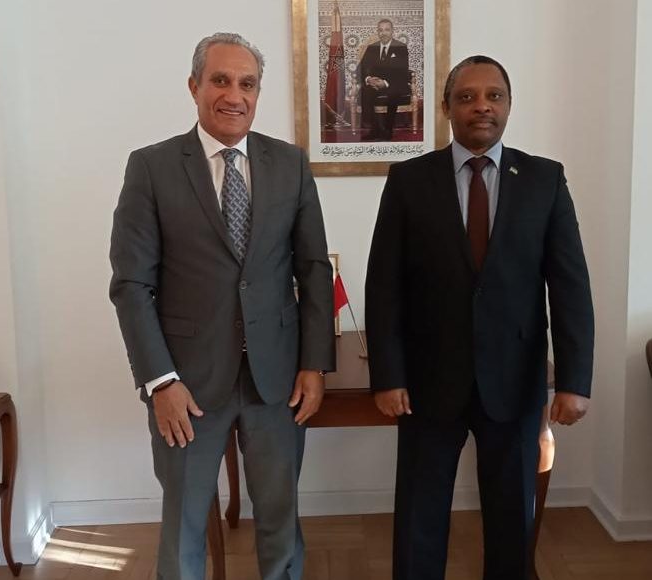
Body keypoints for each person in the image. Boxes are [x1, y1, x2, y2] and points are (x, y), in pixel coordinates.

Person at [109, 33, 335, 580]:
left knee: (279, 517)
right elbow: (132, 285)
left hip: (276, 381)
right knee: (185, 521)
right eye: (220, 80)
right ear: (194, 86)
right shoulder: (152, 167)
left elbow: (313, 269)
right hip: (186, 386)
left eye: (247, 83)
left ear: (258, 93)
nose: (234, 95)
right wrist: (161, 382)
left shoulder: (289, 164)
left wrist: (314, 364)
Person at [365, 55, 594, 580]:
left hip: (515, 382)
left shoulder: (544, 180)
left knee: (512, 518)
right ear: (447, 107)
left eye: (494, 95)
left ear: (509, 105)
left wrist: (574, 381)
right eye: (466, 97)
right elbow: (384, 286)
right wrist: (388, 375)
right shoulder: (408, 180)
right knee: (420, 516)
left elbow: (570, 286)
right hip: (428, 383)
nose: (481, 106)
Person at [358, 18, 409, 141]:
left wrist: (385, 83)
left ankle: (387, 130)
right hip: (375, 83)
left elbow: (402, 71)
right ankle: (374, 130)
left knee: (394, 92)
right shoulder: (372, 47)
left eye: (387, 30)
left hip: (393, 83)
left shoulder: (401, 47)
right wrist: (369, 79)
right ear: (378, 32)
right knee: (365, 91)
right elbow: (362, 68)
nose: (383, 33)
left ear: (392, 31)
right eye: (380, 30)